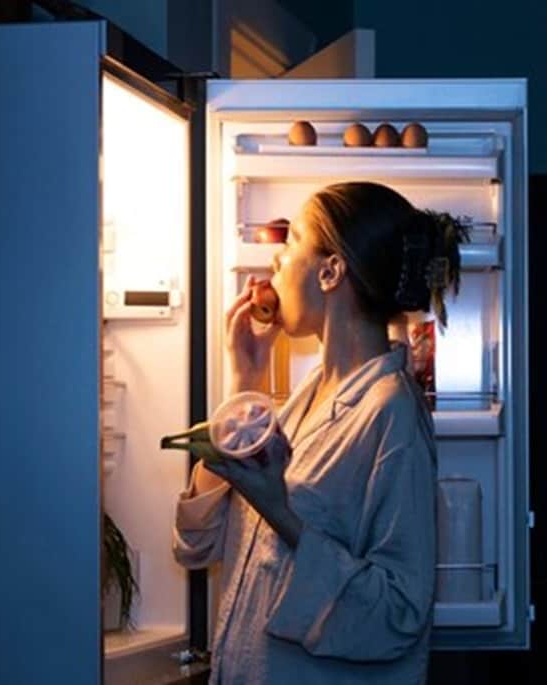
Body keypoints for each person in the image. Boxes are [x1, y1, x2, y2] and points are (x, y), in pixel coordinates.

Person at [171, 181, 469, 684]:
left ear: (330, 271)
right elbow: (196, 546)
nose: (275, 268)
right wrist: (244, 384)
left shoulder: (391, 414)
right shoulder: (305, 399)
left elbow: (398, 615)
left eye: (289, 248)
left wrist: (279, 510)